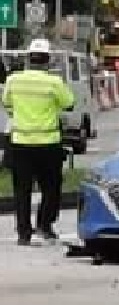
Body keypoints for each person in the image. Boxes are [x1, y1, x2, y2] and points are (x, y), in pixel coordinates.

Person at [2, 38, 75, 245]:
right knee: (51, 188)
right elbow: (69, 103)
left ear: (28, 59)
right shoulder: (54, 82)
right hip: (48, 142)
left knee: (21, 190)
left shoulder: (13, 80)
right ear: (48, 60)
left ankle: (23, 233)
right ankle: (45, 225)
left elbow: (7, 103)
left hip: (20, 142)